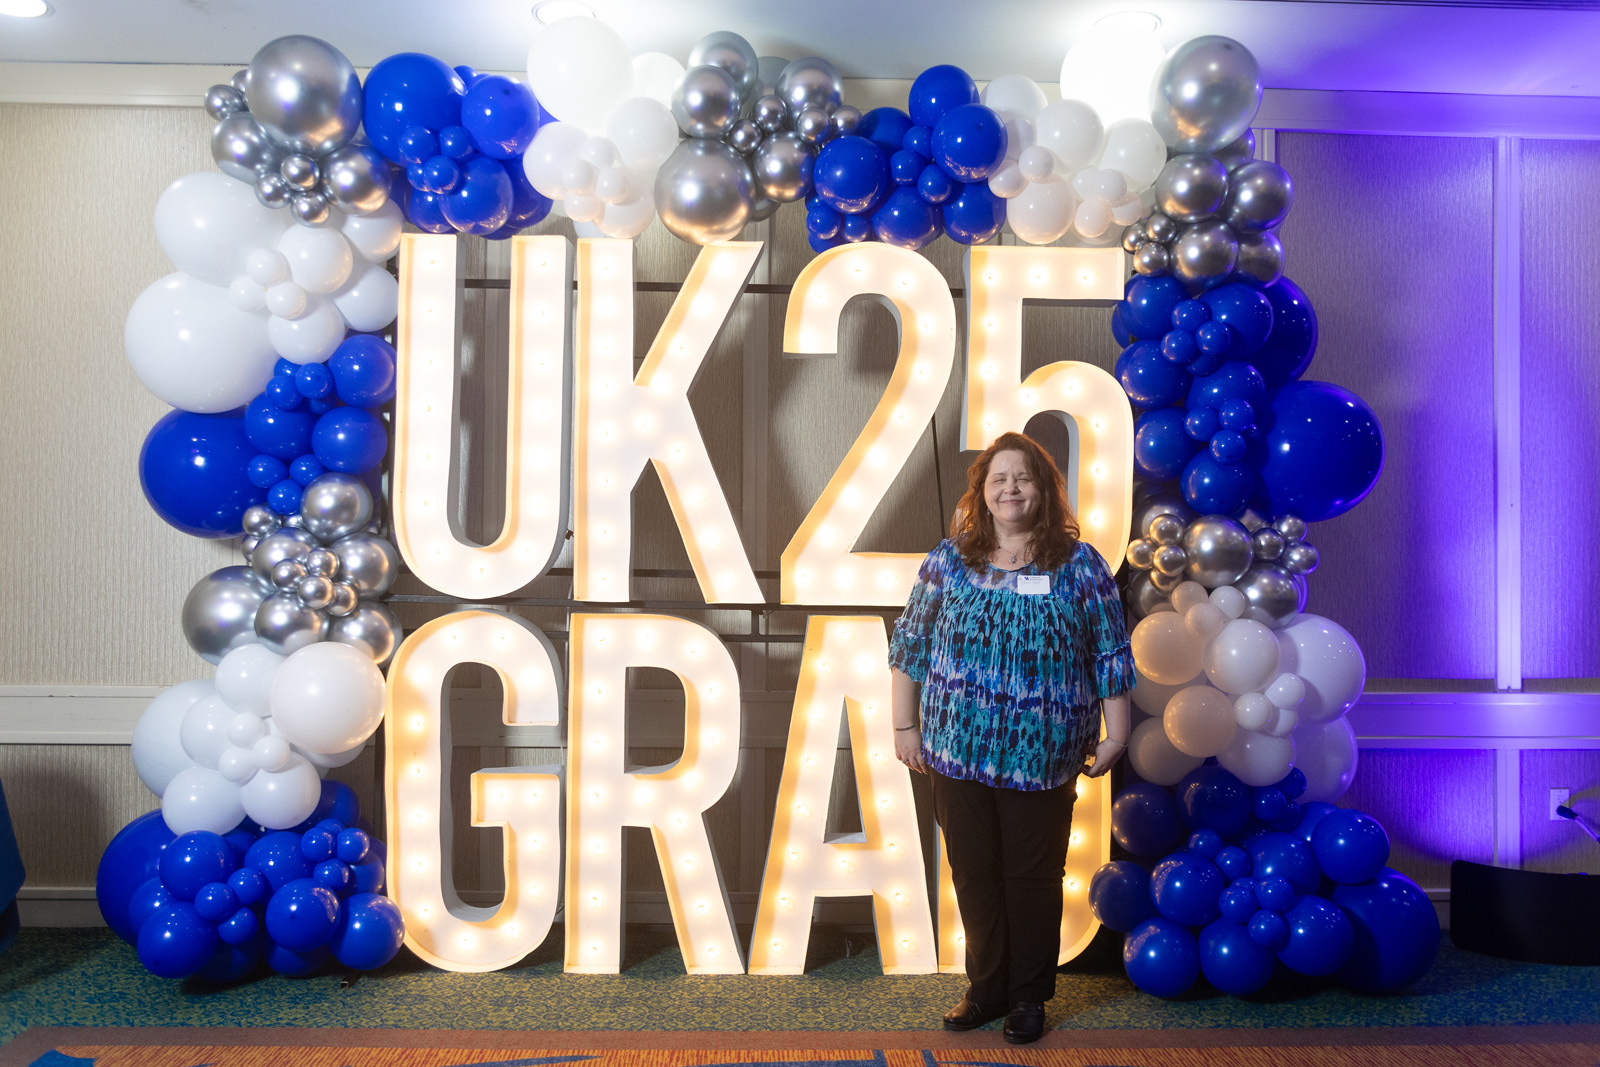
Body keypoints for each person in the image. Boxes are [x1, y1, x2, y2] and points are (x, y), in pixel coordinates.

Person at [888, 431, 1134, 1045]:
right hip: (956, 750)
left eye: (1023, 477)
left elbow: (1110, 653)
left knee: (1033, 877)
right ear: (982, 492)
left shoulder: (1080, 566)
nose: (1010, 489)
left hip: (1043, 753)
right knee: (973, 874)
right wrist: (904, 726)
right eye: (998, 479)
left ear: (1044, 490)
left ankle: (1028, 996)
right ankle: (986, 988)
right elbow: (910, 645)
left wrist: (1118, 733)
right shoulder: (949, 560)